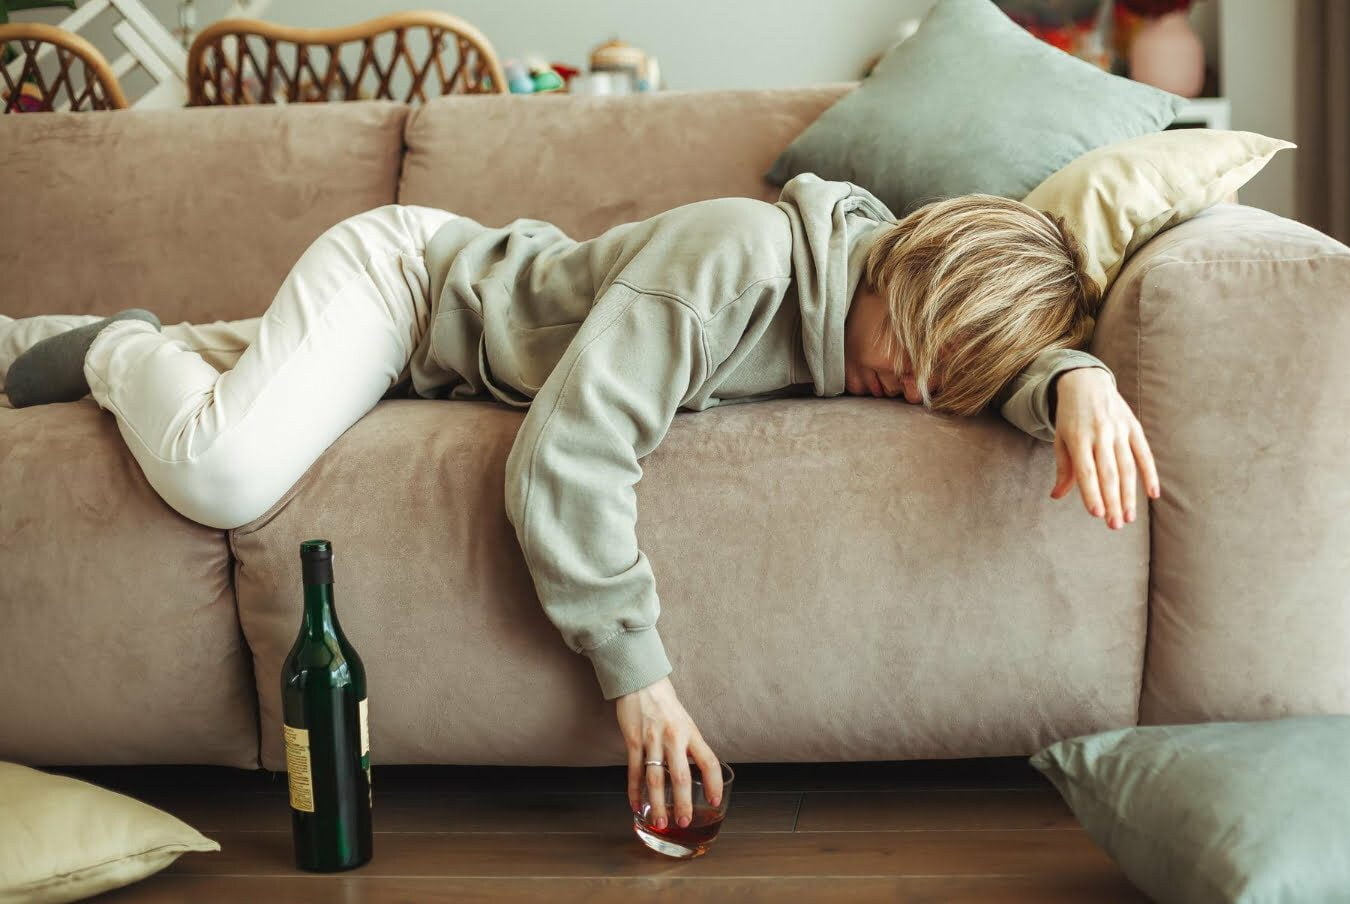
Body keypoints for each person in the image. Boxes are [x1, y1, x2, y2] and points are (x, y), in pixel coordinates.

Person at [1, 173, 1159, 832]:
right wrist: (639, 679)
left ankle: (55, 355)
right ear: (905, 265)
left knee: (247, 392)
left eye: (943, 383)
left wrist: (1074, 380)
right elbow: (561, 460)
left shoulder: (903, 321)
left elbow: (975, 352)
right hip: (408, 291)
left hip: (443, 352)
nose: (910, 386)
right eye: (917, 351)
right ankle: (119, 349)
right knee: (222, 471)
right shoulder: (744, 258)